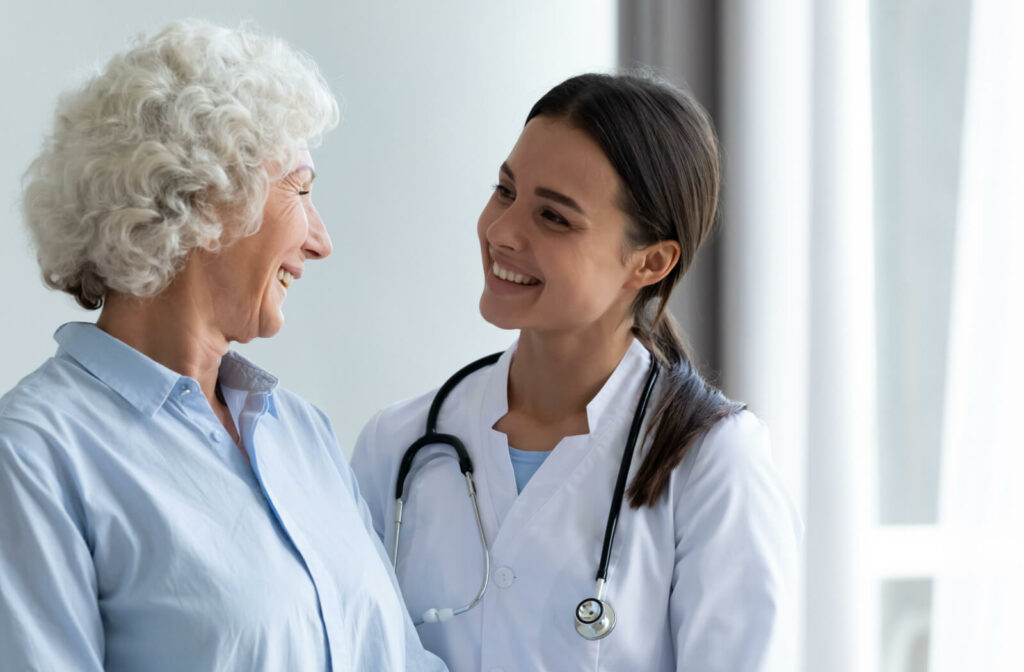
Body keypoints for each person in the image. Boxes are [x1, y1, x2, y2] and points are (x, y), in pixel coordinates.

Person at [0, 20, 444, 671]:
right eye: (301, 190)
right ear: (205, 196)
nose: (320, 240)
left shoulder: (300, 433)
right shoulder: (33, 456)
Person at [350, 73, 802, 671]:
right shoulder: (398, 445)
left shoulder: (714, 465)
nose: (502, 232)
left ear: (650, 262)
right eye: (505, 191)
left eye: (554, 218)